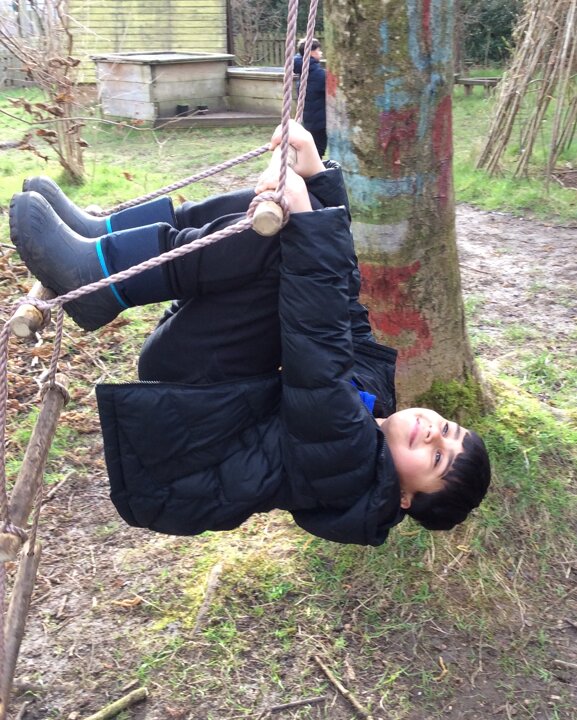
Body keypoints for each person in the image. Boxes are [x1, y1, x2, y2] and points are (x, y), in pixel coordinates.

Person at [9, 122, 491, 545]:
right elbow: (344, 308)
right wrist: (319, 183)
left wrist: (308, 219)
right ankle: (104, 237)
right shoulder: (377, 401)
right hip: (211, 386)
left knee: (282, 244)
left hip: (191, 408)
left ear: (405, 497)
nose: (434, 434)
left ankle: (100, 279)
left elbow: (317, 349)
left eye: (436, 458)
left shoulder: (349, 469)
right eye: (448, 430)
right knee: (275, 219)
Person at [293, 38, 327, 158]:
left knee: (313, 148)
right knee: (318, 149)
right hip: (319, 119)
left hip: (309, 117)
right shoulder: (317, 74)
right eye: (318, 50)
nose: (321, 53)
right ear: (311, 52)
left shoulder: (304, 68)